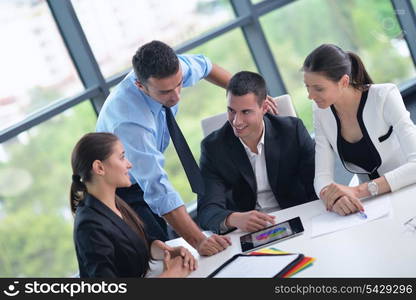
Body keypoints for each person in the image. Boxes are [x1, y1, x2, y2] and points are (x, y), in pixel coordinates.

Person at [96, 40, 257, 255]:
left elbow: (206, 65)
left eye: (179, 84)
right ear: (140, 86)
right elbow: (157, 187)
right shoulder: (130, 122)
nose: (176, 96)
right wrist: (199, 240)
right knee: (157, 254)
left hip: (139, 175)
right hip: (118, 190)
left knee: (171, 248)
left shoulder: (174, 69)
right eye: (165, 92)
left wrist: (248, 100)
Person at [303, 43, 416, 216]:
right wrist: (334, 197)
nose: (310, 96)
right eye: (307, 87)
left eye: (319, 88)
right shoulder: (321, 111)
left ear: (344, 81)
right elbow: (321, 176)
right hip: (370, 206)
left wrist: (357, 191)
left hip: (407, 190)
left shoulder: (384, 96)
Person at [197, 71, 317, 234]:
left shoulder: (292, 130)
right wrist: (234, 218)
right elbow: (207, 210)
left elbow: (316, 182)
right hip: (247, 232)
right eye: (231, 110)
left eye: (245, 112)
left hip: (299, 219)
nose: (236, 121)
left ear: (264, 108)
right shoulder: (213, 148)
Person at [71, 132, 197, 278]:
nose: (129, 164)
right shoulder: (89, 226)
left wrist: (167, 251)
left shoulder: (116, 203)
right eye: (122, 157)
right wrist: (171, 275)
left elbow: (137, 243)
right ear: (99, 167)